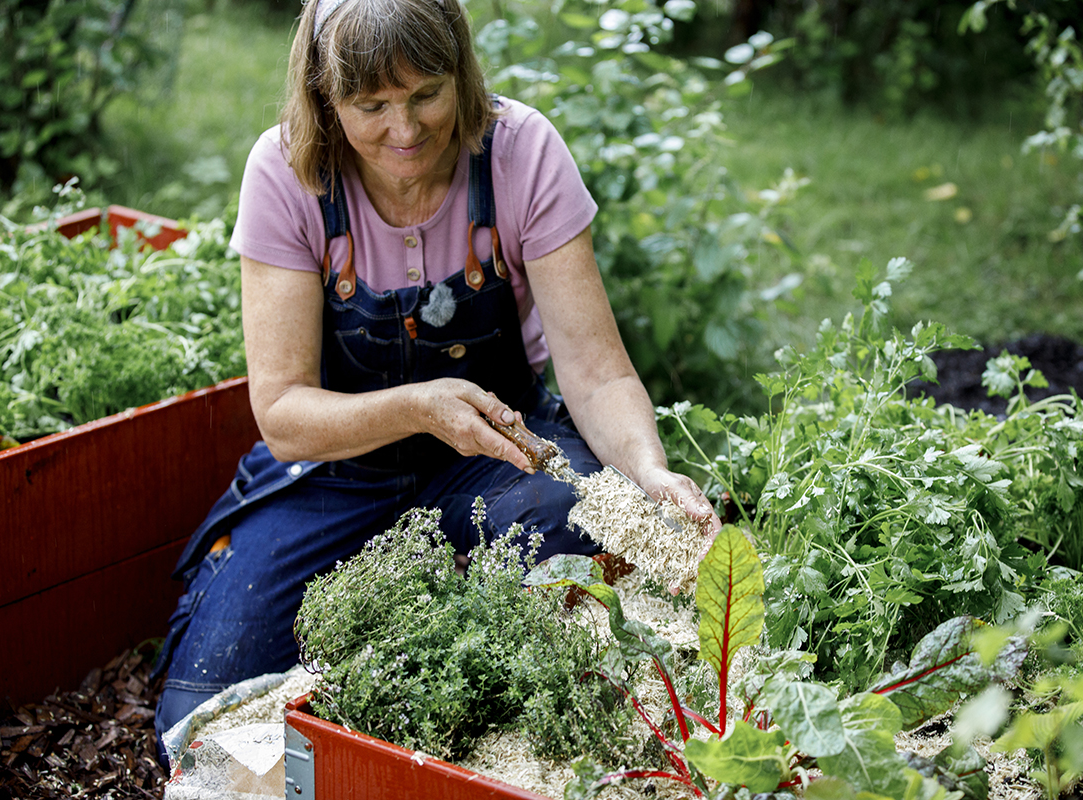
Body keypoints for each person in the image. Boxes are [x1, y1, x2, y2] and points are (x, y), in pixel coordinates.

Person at [151, 0, 721, 758]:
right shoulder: (287, 171)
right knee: (199, 712)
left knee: (589, 552)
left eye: (426, 94)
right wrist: (420, 407)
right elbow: (284, 414)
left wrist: (648, 472)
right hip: (334, 470)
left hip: (499, 455)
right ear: (326, 97)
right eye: (371, 106)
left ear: (461, 69)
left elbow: (596, 371)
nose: (405, 129)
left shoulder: (520, 152)